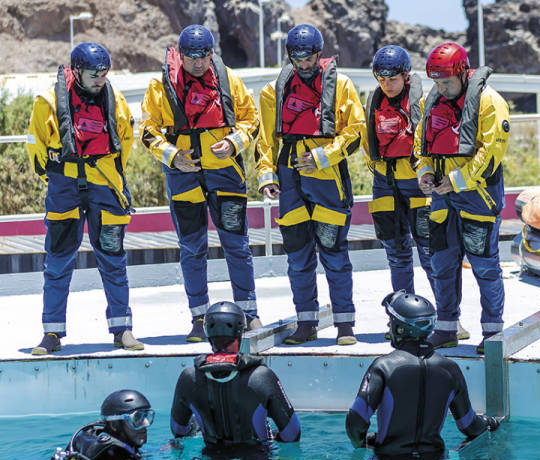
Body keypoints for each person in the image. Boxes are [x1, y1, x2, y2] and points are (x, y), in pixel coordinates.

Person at [140, 25, 262, 343]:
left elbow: (252, 119)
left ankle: (249, 315)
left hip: (226, 173)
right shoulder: (160, 85)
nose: (197, 63)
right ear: (180, 55)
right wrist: (171, 156)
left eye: (203, 56)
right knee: (192, 249)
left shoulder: (229, 79)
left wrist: (234, 143)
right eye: (191, 57)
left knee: (237, 245)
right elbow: (148, 131)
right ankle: (198, 318)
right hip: (183, 176)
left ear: (211, 53)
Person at [28, 42, 143, 355]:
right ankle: (51, 334)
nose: (100, 79)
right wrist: (52, 178)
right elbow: (36, 145)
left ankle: (123, 330)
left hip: (105, 184)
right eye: (94, 73)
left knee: (112, 257)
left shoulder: (115, 99)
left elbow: (125, 143)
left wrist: (108, 175)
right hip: (63, 186)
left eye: (104, 73)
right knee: (58, 258)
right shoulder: (47, 101)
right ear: (76, 70)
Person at [256, 24, 365, 346]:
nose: (303, 65)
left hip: (328, 179)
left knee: (333, 252)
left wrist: (324, 155)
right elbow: (265, 140)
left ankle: (345, 325)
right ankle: (306, 322)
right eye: (296, 58)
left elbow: (355, 131)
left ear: (320, 55)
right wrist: (266, 176)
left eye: (309, 58)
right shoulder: (271, 91)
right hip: (290, 181)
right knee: (298, 256)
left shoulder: (341, 85)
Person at [363, 44, 470, 343]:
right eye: (381, 78)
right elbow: (365, 139)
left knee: (430, 253)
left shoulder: (422, 100)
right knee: (396, 254)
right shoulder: (373, 102)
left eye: (392, 78)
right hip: (384, 183)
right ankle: (400, 319)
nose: (386, 84)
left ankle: (450, 320)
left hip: (417, 184)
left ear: (406, 75)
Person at [414, 42, 511, 353]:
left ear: (463, 73)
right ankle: (446, 327)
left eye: (446, 82)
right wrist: (425, 172)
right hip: (442, 198)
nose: (441, 89)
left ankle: (493, 332)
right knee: (441, 262)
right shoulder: (431, 102)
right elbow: (422, 144)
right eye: (436, 83)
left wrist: (456, 181)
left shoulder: (490, 102)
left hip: (477, 196)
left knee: (485, 265)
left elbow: (491, 152)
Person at [346, 290, 499, 456]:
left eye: (391, 322)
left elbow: (356, 421)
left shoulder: (383, 366)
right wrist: (490, 422)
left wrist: (363, 443)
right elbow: (469, 426)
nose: (389, 326)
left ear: (401, 329)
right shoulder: (450, 369)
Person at [170, 301, 301, 445]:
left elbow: (178, 430)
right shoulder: (261, 376)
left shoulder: (188, 378)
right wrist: (271, 437)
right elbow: (292, 433)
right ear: (240, 333)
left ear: (208, 334)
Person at [45, 389, 154, 460]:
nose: (146, 423)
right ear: (114, 425)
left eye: (147, 416)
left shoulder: (89, 437)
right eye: (137, 418)